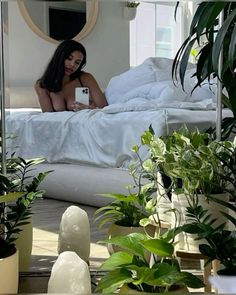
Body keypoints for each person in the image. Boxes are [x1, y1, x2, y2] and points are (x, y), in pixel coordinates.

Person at [34, 40, 107, 112]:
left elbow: (105, 109)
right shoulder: (42, 85)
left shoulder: (85, 78)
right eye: (69, 58)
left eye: (77, 63)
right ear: (59, 57)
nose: (72, 65)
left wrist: (90, 108)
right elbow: (47, 118)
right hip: (59, 124)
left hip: (85, 122)